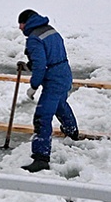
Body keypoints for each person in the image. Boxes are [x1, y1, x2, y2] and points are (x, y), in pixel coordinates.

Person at [17, 9, 79, 173]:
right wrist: (27, 66)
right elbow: (51, 56)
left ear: (26, 22)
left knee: (42, 117)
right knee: (60, 104)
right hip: (64, 74)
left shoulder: (33, 39)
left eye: (20, 24)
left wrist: (34, 86)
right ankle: (72, 132)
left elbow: (40, 65)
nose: (19, 28)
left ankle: (41, 158)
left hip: (53, 80)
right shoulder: (50, 30)